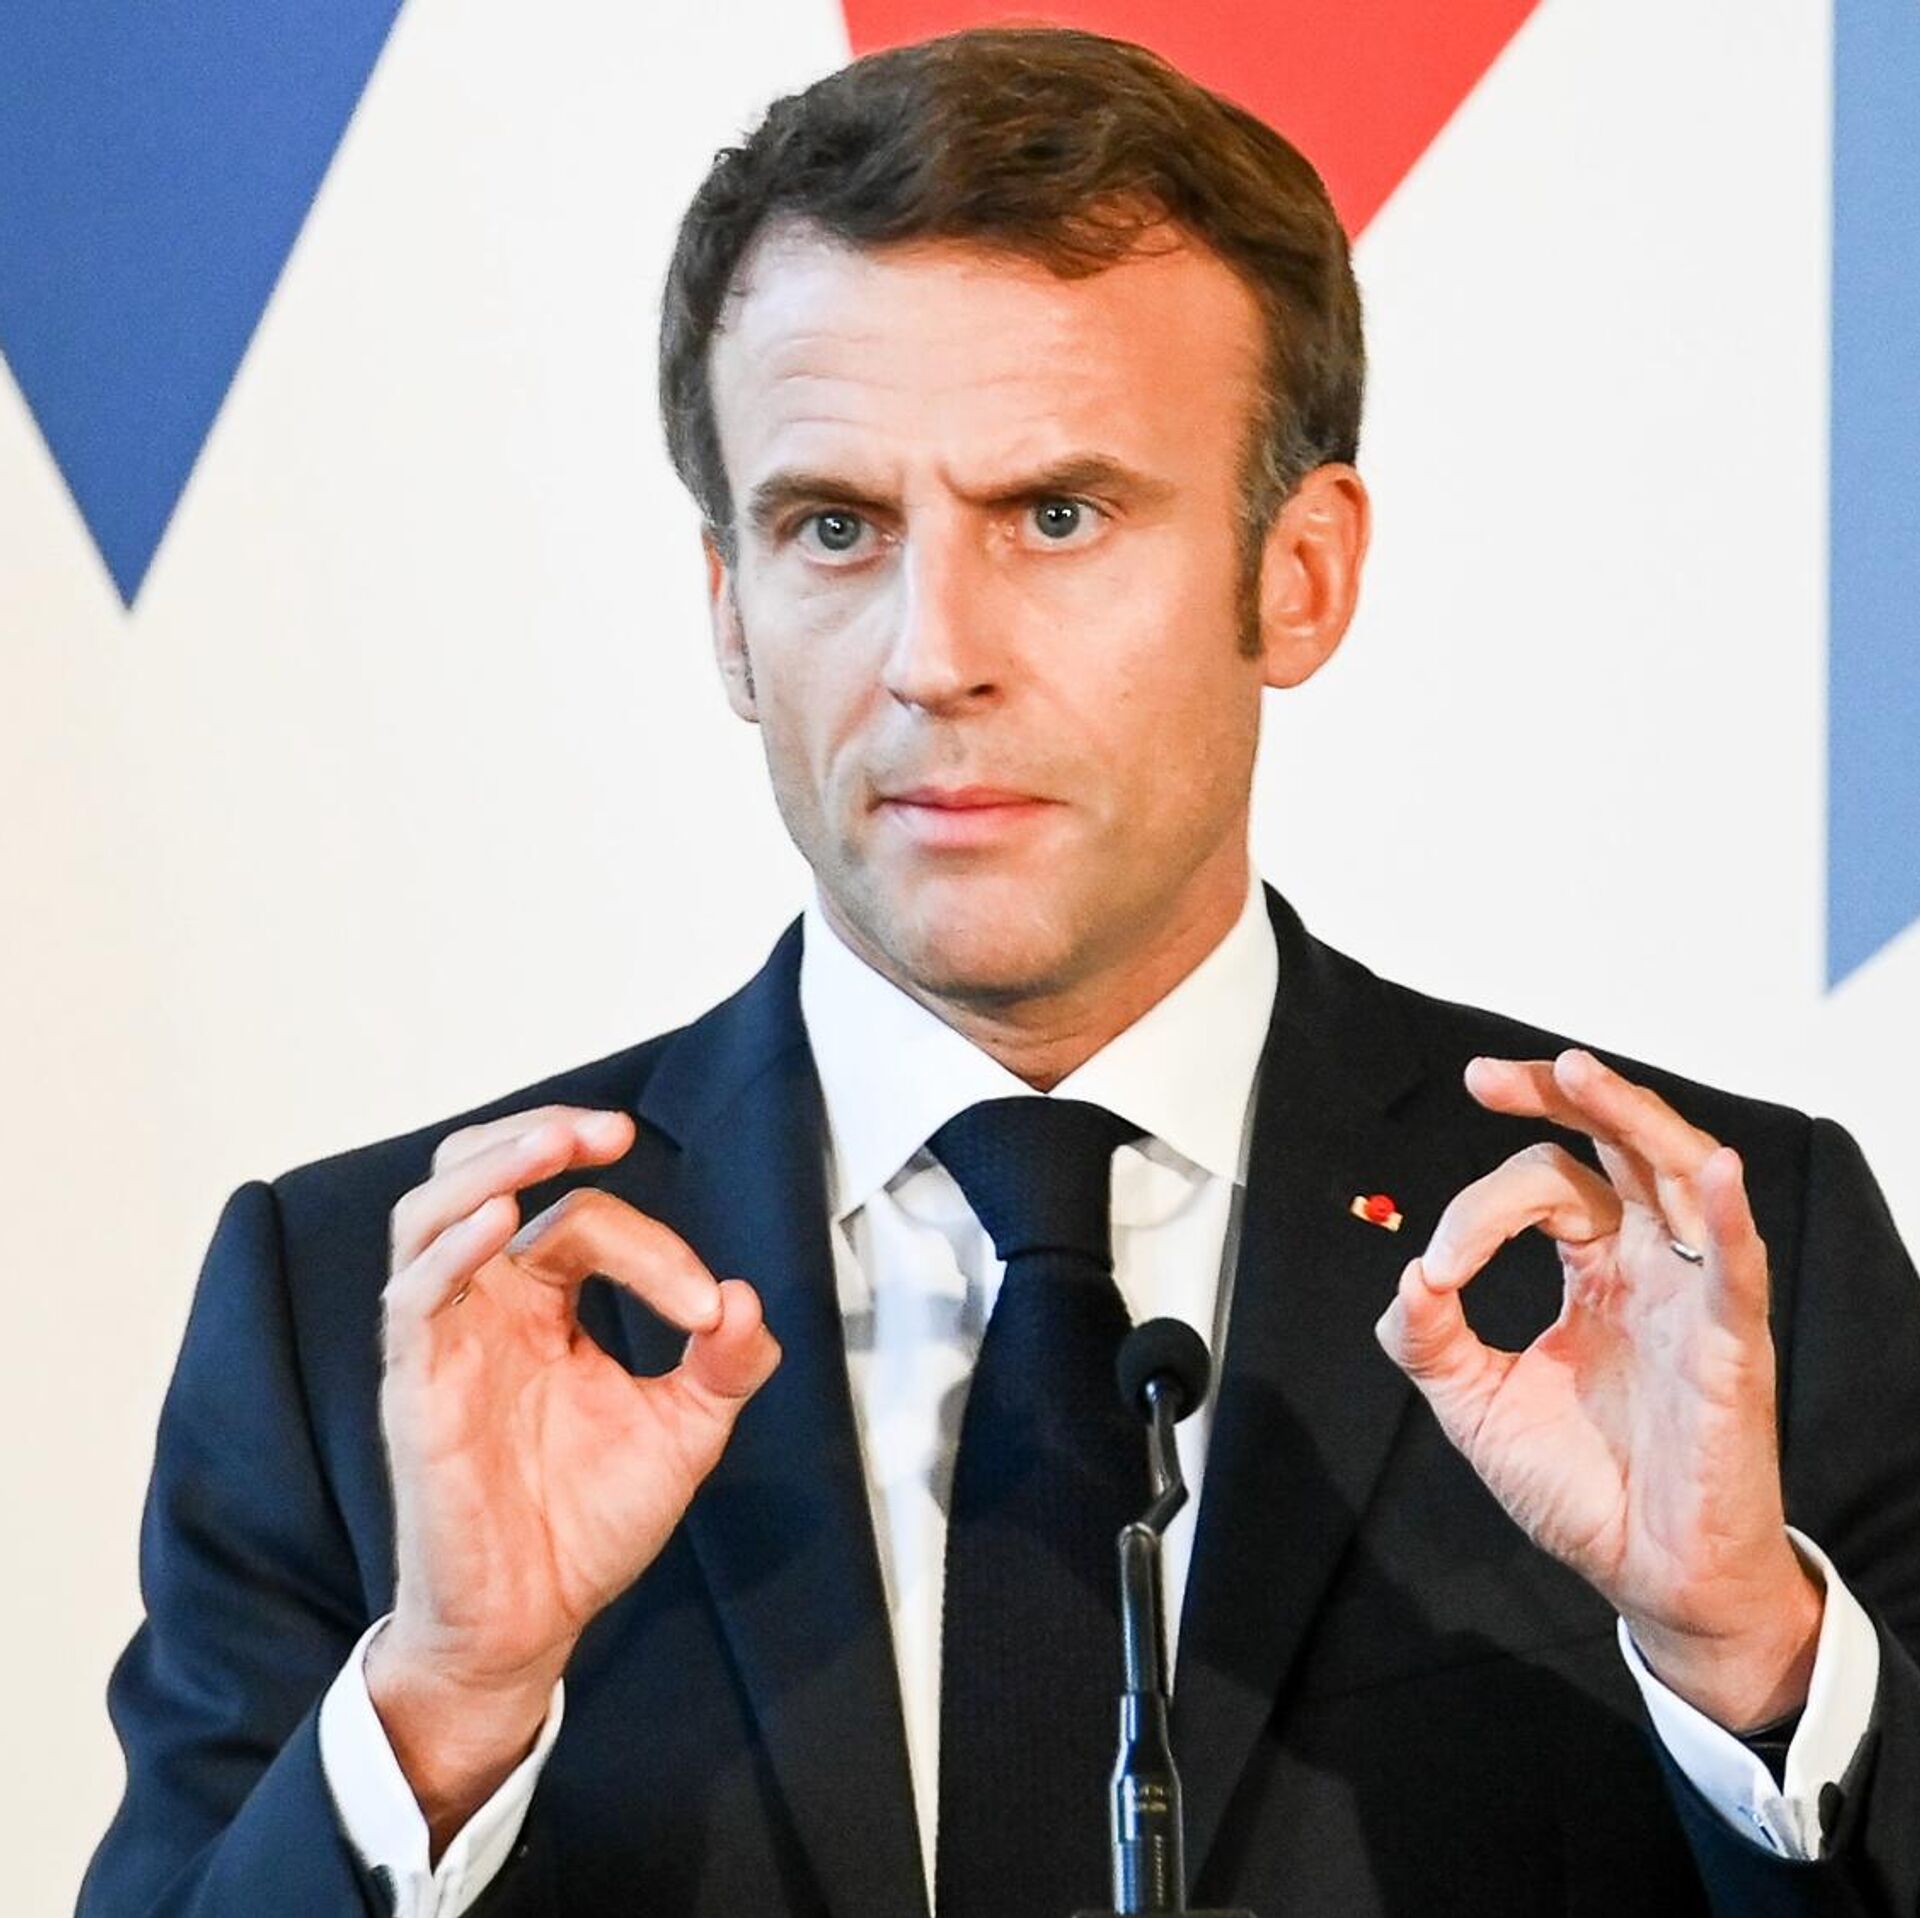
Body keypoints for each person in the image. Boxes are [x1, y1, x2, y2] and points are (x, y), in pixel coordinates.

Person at [80, 26, 1920, 1918]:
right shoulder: (374, 1314)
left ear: (1298, 573)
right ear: (729, 613)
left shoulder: (1703, 1265)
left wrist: (1752, 1660)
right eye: (834, 528)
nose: (932, 653)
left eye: (1056, 515)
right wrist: (444, 1706)